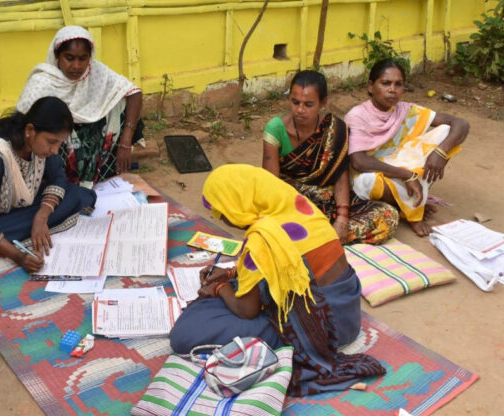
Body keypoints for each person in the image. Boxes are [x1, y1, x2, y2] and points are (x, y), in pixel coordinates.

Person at [169, 165, 385, 396]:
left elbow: (246, 310)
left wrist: (219, 287)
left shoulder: (262, 238)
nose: (221, 218)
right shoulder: (303, 210)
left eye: (221, 211)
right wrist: (232, 273)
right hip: (347, 313)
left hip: (322, 329)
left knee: (187, 330)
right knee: (232, 291)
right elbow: (291, 263)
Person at [0, 97, 97, 272]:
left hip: (19, 207)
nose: (55, 150)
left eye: (60, 143)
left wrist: (41, 217)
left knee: (78, 194)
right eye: (52, 142)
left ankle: (25, 227)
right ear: (30, 130)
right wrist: (19, 256)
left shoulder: (39, 147)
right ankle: (18, 232)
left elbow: (58, 178)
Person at [262, 70, 398, 244]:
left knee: (388, 217)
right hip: (291, 200)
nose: (300, 110)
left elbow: (341, 179)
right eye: (295, 102)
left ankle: (316, 237)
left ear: (323, 103)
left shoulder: (336, 130)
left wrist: (341, 220)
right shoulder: (275, 129)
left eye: (308, 104)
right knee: (275, 226)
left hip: (328, 200)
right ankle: (320, 237)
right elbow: (272, 186)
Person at [346, 59, 470, 237]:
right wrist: (407, 175)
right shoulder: (357, 115)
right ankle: (407, 206)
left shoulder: (406, 110)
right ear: (370, 86)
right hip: (372, 173)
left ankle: (408, 200)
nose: (392, 89)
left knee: (447, 132)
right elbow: (359, 162)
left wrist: (440, 153)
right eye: (386, 83)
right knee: (368, 182)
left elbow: (461, 124)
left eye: (399, 84)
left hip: (400, 166)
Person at [16, 26, 143, 186]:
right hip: (61, 145)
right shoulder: (42, 82)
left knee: (122, 104)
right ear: (57, 56)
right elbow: (22, 123)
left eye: (82, 59)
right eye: (69, 58)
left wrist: (125, 141)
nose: (76, 66)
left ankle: (103, 176)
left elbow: (134, 93)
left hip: (94, 140)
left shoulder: (95, 72)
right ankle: (60, 184)